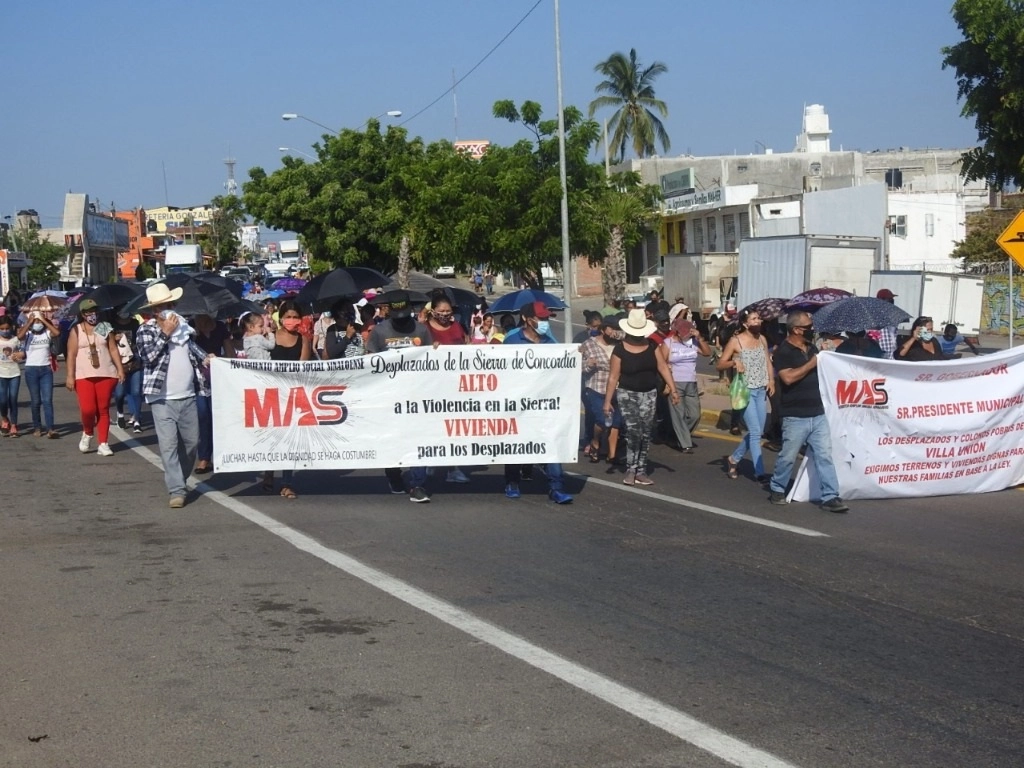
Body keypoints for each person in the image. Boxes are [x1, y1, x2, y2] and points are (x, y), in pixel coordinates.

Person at [135, 284, 212, 508]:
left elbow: (193, 350)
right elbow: (148, 357)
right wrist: (164, 333)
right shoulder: (146, 330)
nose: (171, 310)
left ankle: (181, 477)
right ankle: (176, 489)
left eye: (171, 305)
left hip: (188, 394)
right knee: (168, 445)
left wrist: (207, 358)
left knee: (191, 443)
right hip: (161, 398)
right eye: (165, 307)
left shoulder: (183, 330)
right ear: (155, 310)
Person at [767, 311, 849, 513]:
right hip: (795, 415)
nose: (812, 330)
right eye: (808, 327)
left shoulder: (812, 348)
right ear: (796, 329)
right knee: (788, 456)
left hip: (818, 413)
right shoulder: (783, 352)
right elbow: (788, 378)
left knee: (824, 456)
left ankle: (830, 496)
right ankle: (777, 488)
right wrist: (813, 362)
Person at [502, 301, 572, 504]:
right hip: (517, 404)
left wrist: (576, 359)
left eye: (546, 318)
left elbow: (563, 367)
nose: (544, 322)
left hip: (544, 404)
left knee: (551, 444)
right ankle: (512, 482)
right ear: (526, 318)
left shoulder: (550, 342)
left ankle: (556, 487)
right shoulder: (512, 341)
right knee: (515, 445)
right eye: (540, 318)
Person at [367, 290, 434, 502]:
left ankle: (416, 484)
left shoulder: (422, 331)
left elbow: (431, 360)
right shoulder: (379, 332)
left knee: (418, 439)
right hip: (388, 396)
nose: (401, 320)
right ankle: (393, 474)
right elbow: (369, 363)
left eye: (404, 315)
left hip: (415, 396)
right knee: (392, 440)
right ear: (388, 311)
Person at [603, 309, 680, 486]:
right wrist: (607, 401)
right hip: (627, 394)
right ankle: (631, 469)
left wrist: (673, 390)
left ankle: (641, 470)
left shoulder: (652, 347)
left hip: (649, 394)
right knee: (633, 431)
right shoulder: (620, 349)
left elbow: (662, 367)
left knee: (646, 432)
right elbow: (613, 377)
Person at [261, 300, 312, 499]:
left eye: (295, 317)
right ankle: (268, 473)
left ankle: (287, 482)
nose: (292, 320)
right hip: (271, 393)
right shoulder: (269, 337)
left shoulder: (304, 340)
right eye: (288, 316)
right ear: (281, 318)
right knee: (271, 437)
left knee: (290, 439)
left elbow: (303, 367)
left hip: (292, 394)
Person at [717, 310, 774, 482]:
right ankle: (759, 471)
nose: (758, 321)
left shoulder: (762, 339)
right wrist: (735, 362)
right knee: (755, 432)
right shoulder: (736, 341)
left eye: (759, 318)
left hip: (761, 390)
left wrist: (771, 380)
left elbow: (767, 362)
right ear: (745, 323)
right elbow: (720, 364)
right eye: (754, 319)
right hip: (745, 391)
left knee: (759, 431)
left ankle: (734, 459)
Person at [65, 299, 125, 456]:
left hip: (106, 373)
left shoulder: (105, 327)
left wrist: (120, 369)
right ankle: (87, 431)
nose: (93, 315)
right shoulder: (76, 330)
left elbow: (113, 349)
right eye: (89, 312)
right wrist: (70, 376)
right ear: (83, 314)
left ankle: (103, 443)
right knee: (88, 409)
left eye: (95, 311)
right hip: (83, 375)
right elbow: (71, 354)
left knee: (103, 409)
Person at [425, 294, 471, 484]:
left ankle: (453, 467)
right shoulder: (424, 330)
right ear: (433, 311)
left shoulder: (457, 327)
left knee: (454, 428)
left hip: (456, 386)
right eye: (441, 311)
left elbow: (467, 346)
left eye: (448, 312)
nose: (445, 315)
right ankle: (428, 461)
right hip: (432, 386)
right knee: (432, 427)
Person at [659, 315, 711, 454]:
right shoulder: (668, 343)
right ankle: (685, 444)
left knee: (695, 414)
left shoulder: (693, 342)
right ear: (676, 332)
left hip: (691, 382)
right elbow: (661, 363)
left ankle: (678, 435)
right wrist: (667, 383)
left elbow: (707, 353)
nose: (686, 335)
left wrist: (700, 338)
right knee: (678, 414)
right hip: (675, 382)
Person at [579, 315, 622, 466]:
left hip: (617, 387)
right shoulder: (589, 344)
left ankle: (612, 454)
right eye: (612, 328)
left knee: (616, 421)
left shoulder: (620, 344)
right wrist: (589, 364)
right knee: (603, 420)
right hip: (597, 386)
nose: (614, 332)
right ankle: (595, 441)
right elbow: (577, 365)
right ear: (603, 330)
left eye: (617, 329)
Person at [17, 311, 60, 438]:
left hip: (46, 369)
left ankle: (50, 428)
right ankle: (37, 427)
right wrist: (29, 321)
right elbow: (19, 336)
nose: (37, 324)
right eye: (36, 322)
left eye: (39, 322)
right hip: (31, 370)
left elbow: (57, 333)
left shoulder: (47, 333)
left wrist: (44, 320)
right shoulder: (28, 334)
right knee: (36, 401)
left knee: (47, 400)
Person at [111, 311, 144, 434]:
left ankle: (136, 419)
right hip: (119, 364)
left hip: (135, 362)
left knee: (136, 392)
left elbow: (140, 341)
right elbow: (107, 343)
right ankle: (120, 413)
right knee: (119, 393)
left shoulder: (135, 324)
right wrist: (113, 338)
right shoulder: (112, 325)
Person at [0, 315, 25, 437]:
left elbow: (23, 351)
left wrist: (21, 354)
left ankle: (14, 424)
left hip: (14, 373)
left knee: (13, 399)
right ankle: (5, 419)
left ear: (11, 328)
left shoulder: (15, 340)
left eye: (7, 328)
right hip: (1, 375)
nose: (5, 330)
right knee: (3, 400)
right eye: (2, 328)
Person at [875, 289, 899, 359]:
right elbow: (872, 336)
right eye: (890, 300)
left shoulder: (893, 316)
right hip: (881, 356)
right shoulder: (875, 317)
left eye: (892, 300)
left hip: (892, 356)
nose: (892, 302)